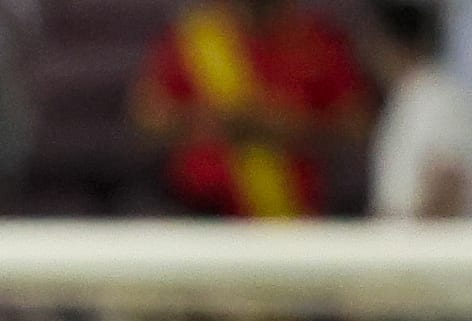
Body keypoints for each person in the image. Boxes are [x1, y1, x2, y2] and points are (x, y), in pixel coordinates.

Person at [133, 0, 369, 217]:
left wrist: (293, 125)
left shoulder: (318, 40)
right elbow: (147, 123)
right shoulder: (196, 38)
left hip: (301, 217)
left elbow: (357, 128)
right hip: (199, 216)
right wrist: (213, 121)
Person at [367, 0, 472, 219]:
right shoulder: (405, 97)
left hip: (427, 247)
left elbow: (449, 184)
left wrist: (409, 241)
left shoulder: (436, 97)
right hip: (403, 242)